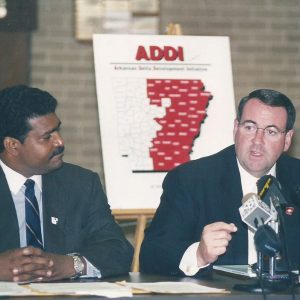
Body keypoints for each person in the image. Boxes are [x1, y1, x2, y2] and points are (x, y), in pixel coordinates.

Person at [140, 89, 300, 277]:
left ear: (287, 139)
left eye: (271, 132)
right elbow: (152, 255)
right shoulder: (191, 179)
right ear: (235, 129)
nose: (258, 141)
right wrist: (199, 254)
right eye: (249, 127)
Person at [0, 85, 133, 282]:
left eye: (58, 131)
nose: (60, 142)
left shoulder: (80, 183)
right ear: (12, 145)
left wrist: (70, 265)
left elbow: (117, 249)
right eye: (47, 137)